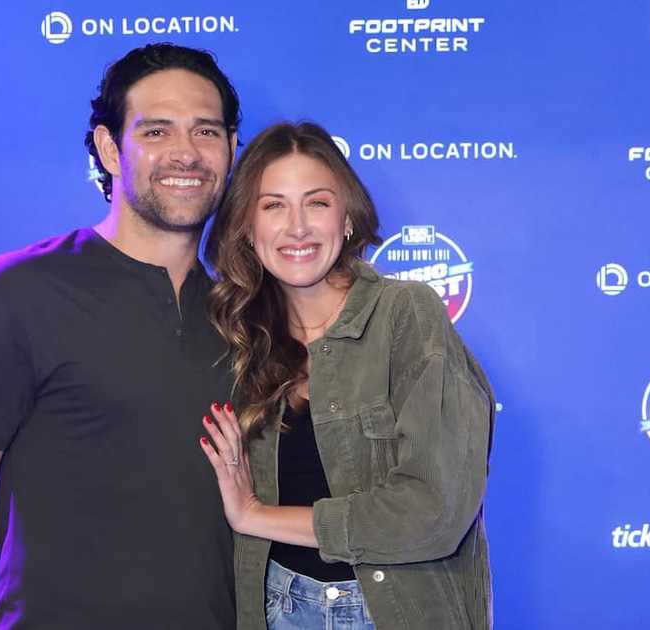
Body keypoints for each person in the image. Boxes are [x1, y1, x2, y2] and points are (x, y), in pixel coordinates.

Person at [0, 43, 241, 629]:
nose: (186, 153)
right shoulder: (18, 293)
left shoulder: (242, 316)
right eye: (157, 132)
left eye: (206, 132)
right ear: (111, 149)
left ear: (231, 149)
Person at [198, 122, 495, 629]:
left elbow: (436, 513)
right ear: (247, 228)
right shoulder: (240, 337)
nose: (297, 227)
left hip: (392, 611)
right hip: (279, 607)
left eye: (316, 203)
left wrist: (255, 516)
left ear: (348, 219)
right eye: (273, 205)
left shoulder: (407, 314)